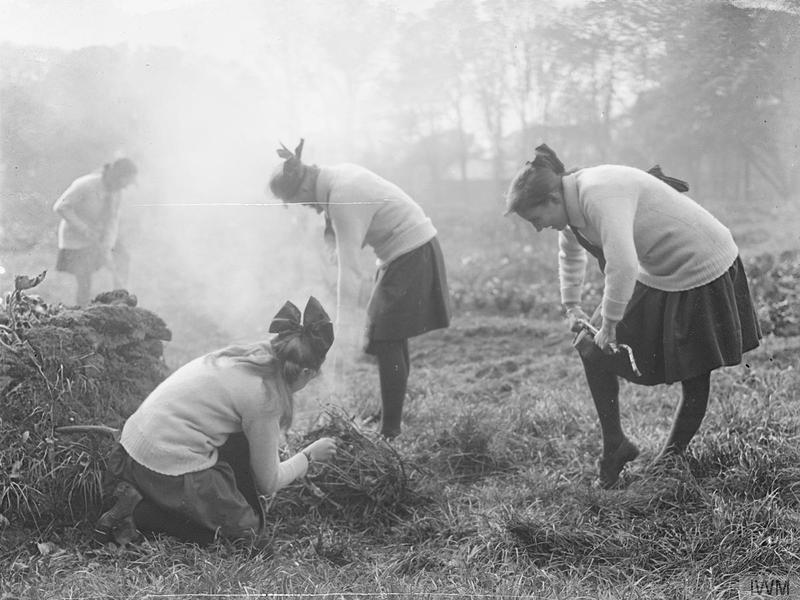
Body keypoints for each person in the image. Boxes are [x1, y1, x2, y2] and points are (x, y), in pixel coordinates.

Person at [504, 144, 761, 488]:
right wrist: (572, 306)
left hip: (702, 264)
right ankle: (616, 445)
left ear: (552, 199)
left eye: (536, 220)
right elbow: (570, 254)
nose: (538, 228)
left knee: (695, 372)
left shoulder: (597, 194)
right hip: (657, 269)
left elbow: (623, 263)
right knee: (590, 347)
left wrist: (609, 323)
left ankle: (671, 458)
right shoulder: (569, 201)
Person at [95, 297, 338, 545]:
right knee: (249, 536)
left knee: (237, 455)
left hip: (134, 446)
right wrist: (308, 456)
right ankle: (139, 513)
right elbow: (269, 482)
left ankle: (140, 494)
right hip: (163, 465)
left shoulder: (248, 357)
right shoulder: (266, 397)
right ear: (307, 373)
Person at [268, 139, 451, 439]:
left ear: (303, 189)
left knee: (385, 336)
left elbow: (351, 270)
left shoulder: (342, 194)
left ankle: (390, 431)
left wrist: (341, 325)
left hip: (413, 252)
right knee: (390, 337)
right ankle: (392, 417)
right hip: (405, 252)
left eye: (302, 203)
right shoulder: (337, 180)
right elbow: (340, 250)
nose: (309, 209)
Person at [53, 157, 138, 306]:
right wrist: (84, 229)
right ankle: (83, 313)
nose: (124, 187)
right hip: (76, 239)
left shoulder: (116, 193)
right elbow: (61, 207)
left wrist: (108, 245)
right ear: (116, 176)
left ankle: (121, 300)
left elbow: (113, 220)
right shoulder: (85, 184)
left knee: (123, 257)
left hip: (99, 236)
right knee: (85, 279)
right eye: (124, 182)